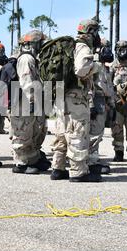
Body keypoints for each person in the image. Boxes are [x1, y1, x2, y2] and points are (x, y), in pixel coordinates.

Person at [50, 20, 101, 182]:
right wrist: (97, 66)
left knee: (62, 133)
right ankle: (78, 172)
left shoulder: (70, 46)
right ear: (91, 32)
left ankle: (58, 168)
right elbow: (80, 69)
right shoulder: (83, 47)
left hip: (61, 94)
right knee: (78, 132)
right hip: (76, 97)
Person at [11, 30, 49, 175]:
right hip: (24, 101)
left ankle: (31, 159)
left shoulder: (32, 58)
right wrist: (32, 100)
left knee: (32, 131)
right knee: (22, 131)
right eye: (40, 43)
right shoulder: (26, 58)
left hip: (29, 100)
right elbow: (26, 81)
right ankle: (20, 163)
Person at [89, 38, 114, 174]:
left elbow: (108, 87)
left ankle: (93, 159)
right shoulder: (94, 65)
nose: (108, 51)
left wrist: (111, 103)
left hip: (103, 101)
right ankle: (91, 162)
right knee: (94, 133)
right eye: (105, 48)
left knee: (98, 132)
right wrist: (91, 104)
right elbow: (91, 86)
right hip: (95, 100)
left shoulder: (105, 67)